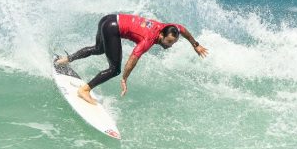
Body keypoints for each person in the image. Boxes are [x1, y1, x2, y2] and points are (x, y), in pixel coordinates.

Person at [55, 14, 208, 104]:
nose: (170, 45)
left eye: (173, 42)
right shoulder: (149, 38)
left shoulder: (171, 28)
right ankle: (84, 90)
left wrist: (196, 45)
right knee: (114, 69)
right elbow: (133, 58)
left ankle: (65, 60)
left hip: (108, 19)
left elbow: (183, 29)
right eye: (169, 42)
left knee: (99, 49)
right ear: (161, 35)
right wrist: (124, 78)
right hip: (112, 28)